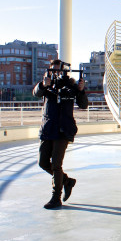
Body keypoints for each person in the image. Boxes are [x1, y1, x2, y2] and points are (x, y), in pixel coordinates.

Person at [33, 59, 88, 209]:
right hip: (48, 128)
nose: (56, 73)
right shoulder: (47, 84)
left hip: (64, 130)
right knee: (43, 162)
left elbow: (83, 104)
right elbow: (36, 93)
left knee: (56, 165)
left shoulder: (70, 86)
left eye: (59, 70)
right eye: (53, 70)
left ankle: (56, 197)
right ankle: (67, 181)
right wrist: (44, 85)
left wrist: (81, 90)